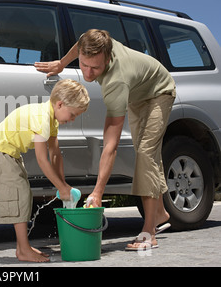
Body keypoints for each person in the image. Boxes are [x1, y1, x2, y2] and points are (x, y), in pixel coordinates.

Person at [35, 29, 176, 251]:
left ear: (108, 58)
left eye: (96, 68)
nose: (89, 74)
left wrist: (98, 191)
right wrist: (62, 64)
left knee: (146, 154)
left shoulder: (116, 83)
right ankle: (159, 212)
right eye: (84, 65)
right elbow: (80, 43)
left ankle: (149, 231)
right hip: (137, 95)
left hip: (159, 92)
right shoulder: (93, 41)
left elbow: (110, 146)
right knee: (146, 151)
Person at [0, 79, 90, 262]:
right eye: (72, 115)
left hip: (11, 154)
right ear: (60, 104)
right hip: (1, 152)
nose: (72, 120)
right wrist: (61, 187)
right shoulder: (42, 118)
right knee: (19, 196)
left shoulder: (51, 119)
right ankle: (24, 250)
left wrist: (63, 185)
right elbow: (42, 160)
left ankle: (22, 246)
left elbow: (55, 154)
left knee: (24, 196)